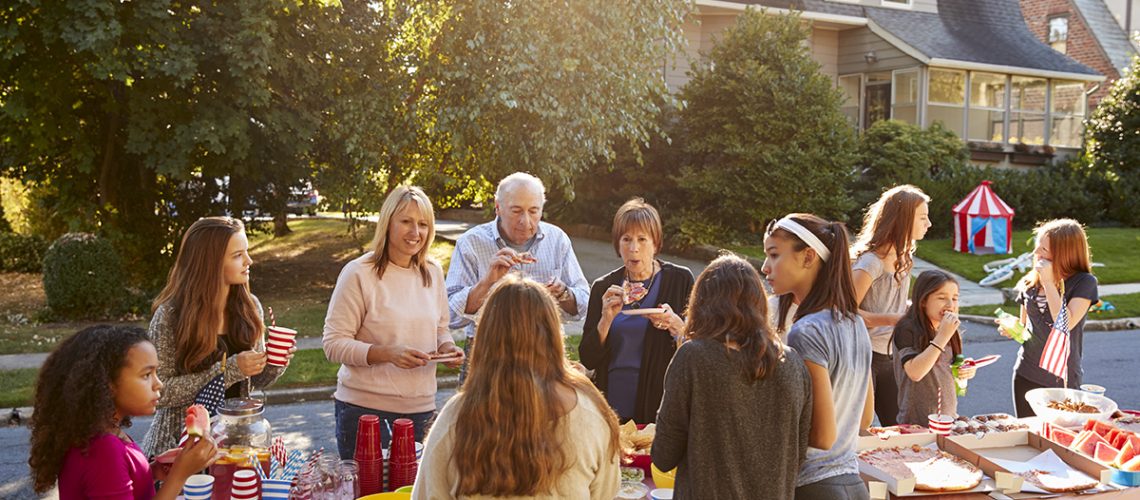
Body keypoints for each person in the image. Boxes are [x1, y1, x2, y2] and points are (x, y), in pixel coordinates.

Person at [413, 275, 620, 499]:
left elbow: (426, 494)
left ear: (485, 337)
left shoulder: (456, 416)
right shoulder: (592, 414)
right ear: (553, 336)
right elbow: (607, 493)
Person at [652, 255, 812, 499]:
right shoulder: (793, 363)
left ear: (701, 303)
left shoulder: (694, 357)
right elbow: (797, 456)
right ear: (760, 304)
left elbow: (663, 455)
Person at [323, 186, 463, 459]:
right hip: (363, 411)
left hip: (421, 410)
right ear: (388, 223)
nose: (416, 232)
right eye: (406, 222)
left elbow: (440, 329)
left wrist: (446, 348)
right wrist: (387, 354)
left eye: (423, 224)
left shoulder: (432, 272)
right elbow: (333, 344)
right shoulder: (358, 273)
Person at [142, 216, 292, 456]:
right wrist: (229, 369)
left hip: (234, 447)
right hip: (176, 452)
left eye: (246, 252)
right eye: (237, 255)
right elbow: (159, 392)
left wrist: (274, 362)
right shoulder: (170, 316)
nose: (249, 261)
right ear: (209, 264)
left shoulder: (250, 308)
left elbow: (254, 382)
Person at [30, 325, 219, 499]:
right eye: (146, 375)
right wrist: (180, 475)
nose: (158, 383)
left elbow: (118, 484)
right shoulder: (103, 450)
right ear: (107, 384)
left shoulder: (106, 433)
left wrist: (152, 471)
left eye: (156, 373)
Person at [762, 213, 873, 500]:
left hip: (813, 486)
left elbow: (822, 437)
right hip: (853, 484)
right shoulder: (855, 322)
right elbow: (864, 418)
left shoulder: (806, 330)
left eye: (774, 255)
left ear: (808, 257)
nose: (765, 268)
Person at [445, 172, 589, 381]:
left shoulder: (557, 240)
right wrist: (487, 282)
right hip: (488, 352)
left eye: (533, 211)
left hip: (544, 351)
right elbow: (450, 315)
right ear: (498, 207)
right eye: (516, 211)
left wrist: (563, 292)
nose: (526, 221)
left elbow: (584, 304)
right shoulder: (471, 243)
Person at [579, 198, 694, 423]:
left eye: (642, 239)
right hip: (610, 402)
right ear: (617, 244)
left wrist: (675, 325)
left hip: (659, 404)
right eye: (626, 239)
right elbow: (589, 358)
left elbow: (698, 345)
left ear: (656, 243)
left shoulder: (679, 280)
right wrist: (606, 319)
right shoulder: (604, 287)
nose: (634, 248)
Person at [997, 219, 1097, 417]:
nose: (1036, 254)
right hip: (1026, 371)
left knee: (1057, 440)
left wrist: (1050, 283)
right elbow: (1026, 329)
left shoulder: (1084, 283)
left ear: (1064, 253)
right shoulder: (1030, 281)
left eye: (1043, 249)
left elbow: (1065, 324)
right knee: (1028, 435)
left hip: (1062, 378)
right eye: (1037, 246)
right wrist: (1013, 329)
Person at [851, 185, 931, 426]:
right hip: (863, 355)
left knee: (900, 427)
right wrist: (891, 319)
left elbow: (890, 303)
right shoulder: (870, 263)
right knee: (861, 428)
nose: (929, 224)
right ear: (903, 219)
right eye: (923, 218)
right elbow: (845, 311)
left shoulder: (904, 258)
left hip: (891, 354)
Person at [891, 270, 976, 424]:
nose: (950, 305)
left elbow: (944, 368)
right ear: (923, 301)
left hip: (948, 417)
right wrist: (942, 337)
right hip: (916, 423)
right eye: (942, 298)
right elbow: (915, 372)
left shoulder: (948, 329)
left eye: (955, 298)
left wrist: (963, 368)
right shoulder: (907, 329)